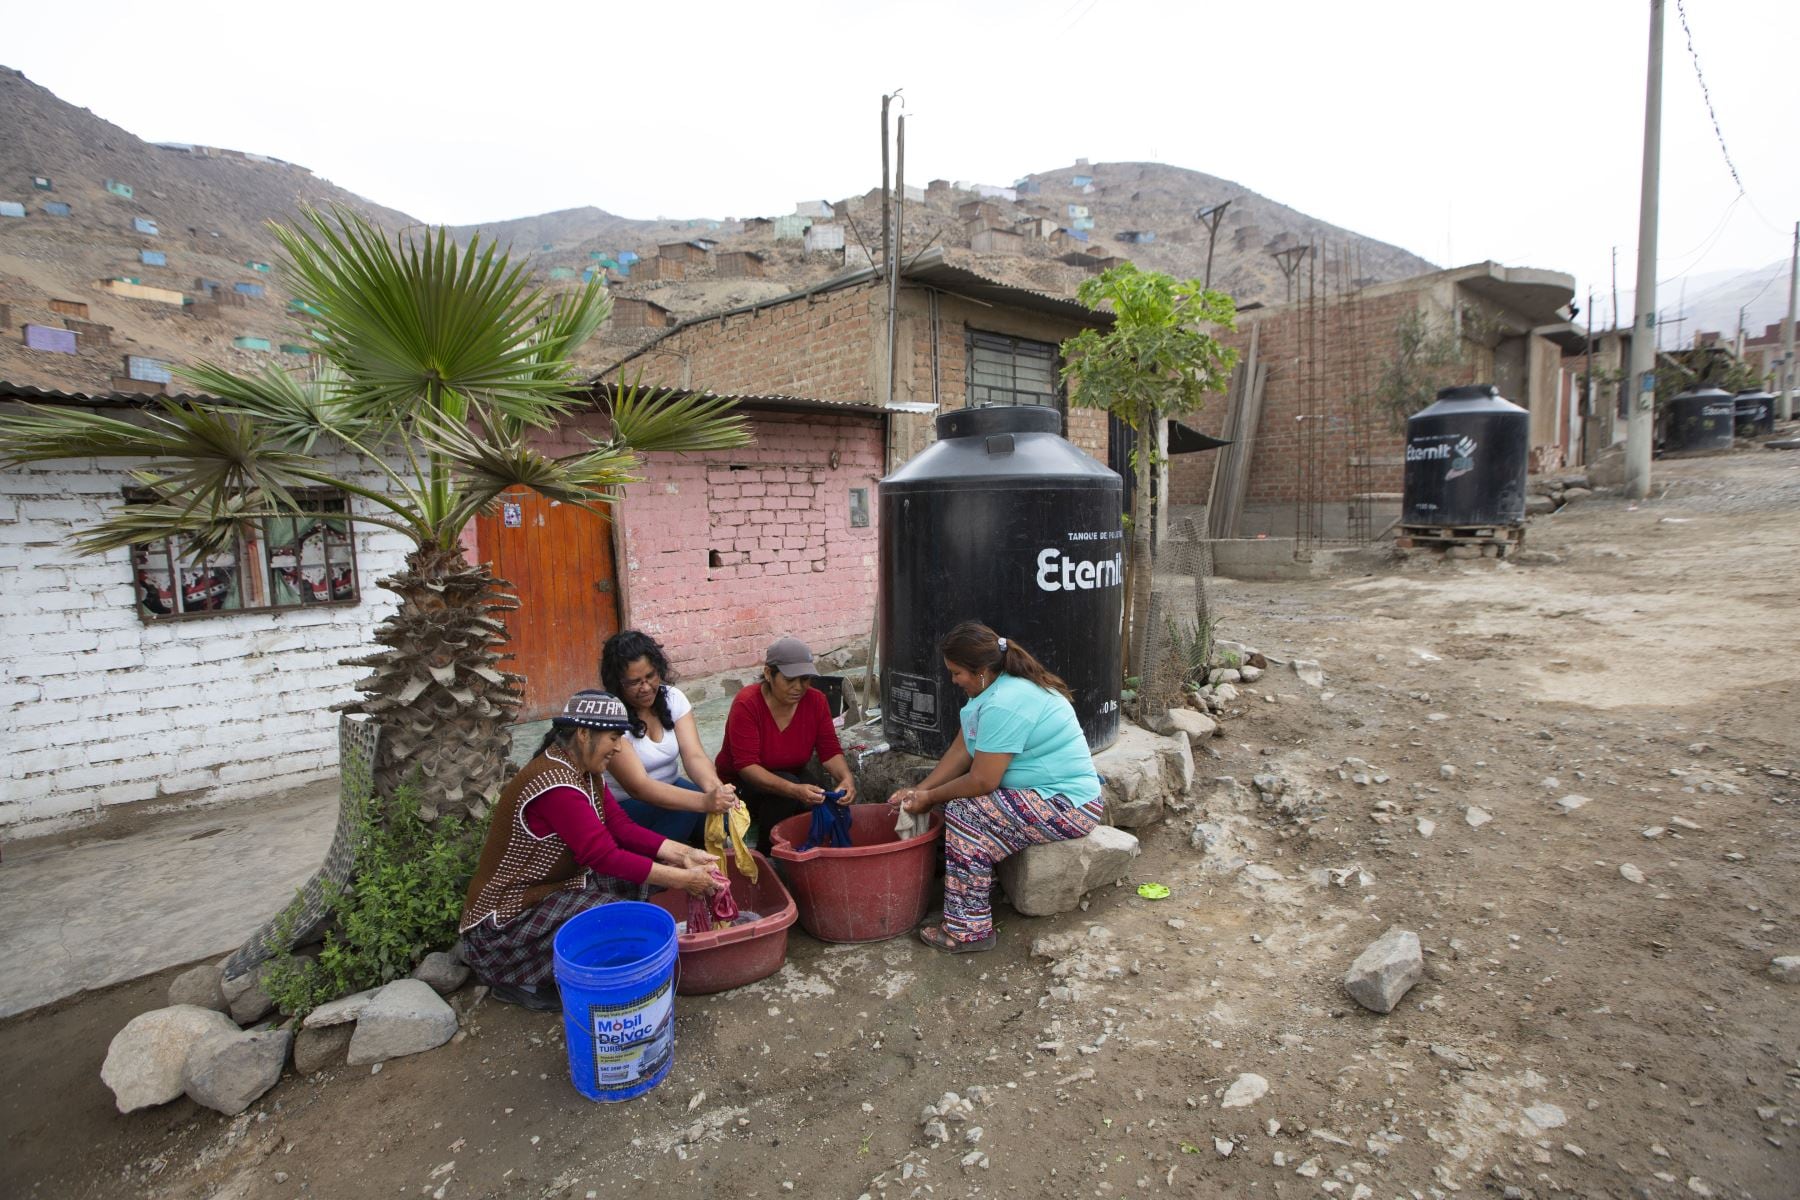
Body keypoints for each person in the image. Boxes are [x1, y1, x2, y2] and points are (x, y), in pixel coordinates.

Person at [458, 690, 720, 1010]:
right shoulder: (555, 784)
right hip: (504, 926)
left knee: (634, 887)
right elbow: (603, 857)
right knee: (613, 919)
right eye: (613, 737)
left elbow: (621, 829)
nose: (619, 747)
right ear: (584, 734)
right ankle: (516, 980)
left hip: (553, 890)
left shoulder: (586, 773)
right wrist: (685, 879)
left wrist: (683, 855)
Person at [890, 621, 1102, 954]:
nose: (953, 680)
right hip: (1038, 797)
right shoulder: (990, 693)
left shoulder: (1007, 701)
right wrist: (921, 791)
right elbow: (962, 751)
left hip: (1069, 805)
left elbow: (982, 781)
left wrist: (930, 798)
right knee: (952, 804)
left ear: (982, 671)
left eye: (957, 673)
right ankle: (965, 883)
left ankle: (968, 931)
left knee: (964, 811)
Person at [715, 636, 857, 851]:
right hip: (740, 786)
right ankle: (768, 854)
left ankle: (810, 852)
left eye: (805, 679)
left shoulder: (816, 701)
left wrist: (846, 778)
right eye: (790, 680)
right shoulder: (747, 703)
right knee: (786, 797)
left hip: (791, 776)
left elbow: (829, 751)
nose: (798, 687)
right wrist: (793, 789)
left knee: (821, 796)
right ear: (768, 674)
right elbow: (746, 767)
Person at [599, 629, 738, 843]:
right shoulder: (610, 716)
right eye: (634, 682)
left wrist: (715, 789)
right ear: (617, 683)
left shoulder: (673, 699)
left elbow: (694, 756)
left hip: (671, 786)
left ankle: (705, 866)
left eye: (650, 676)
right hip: (626, 804)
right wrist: (702, 801)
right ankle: (658, 870)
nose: (645, 688)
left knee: (722, 817)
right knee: (687, 810)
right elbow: (638, 787)